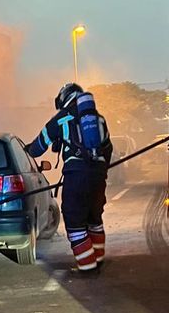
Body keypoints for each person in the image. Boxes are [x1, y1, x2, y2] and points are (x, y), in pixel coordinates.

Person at [26, 83, 112, 273]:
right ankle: (97, 259)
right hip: (99, 176)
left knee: (74, 222)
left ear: (64, 98)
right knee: (94, 218)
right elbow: (108, 148)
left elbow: (38, 147)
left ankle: (88, 267)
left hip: (76, 175)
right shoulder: (99, 119)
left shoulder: (61, 119)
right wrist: (100, 170)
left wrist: (27, 149)